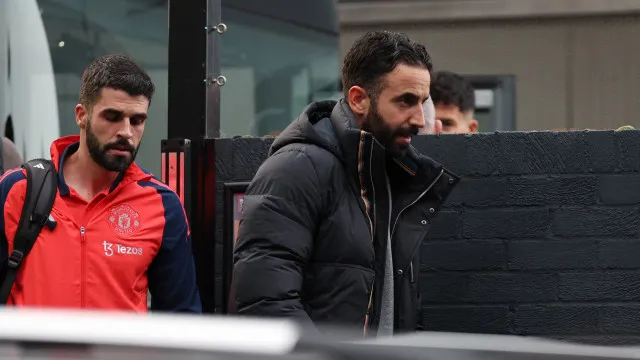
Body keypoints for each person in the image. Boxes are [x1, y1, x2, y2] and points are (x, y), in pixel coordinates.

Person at [229, 31, 459, 337]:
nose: (419, 119)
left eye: (422, 102)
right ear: (359, 99)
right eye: (405, 101)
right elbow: (264, 302)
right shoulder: (297, 168)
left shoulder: (394, 175)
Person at [0, 54, 201, 312]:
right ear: (82, 115)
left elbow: (181, 319)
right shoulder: (18, 189)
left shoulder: (163, 206)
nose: (126, 132)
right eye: (112, 117)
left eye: (137, 120)